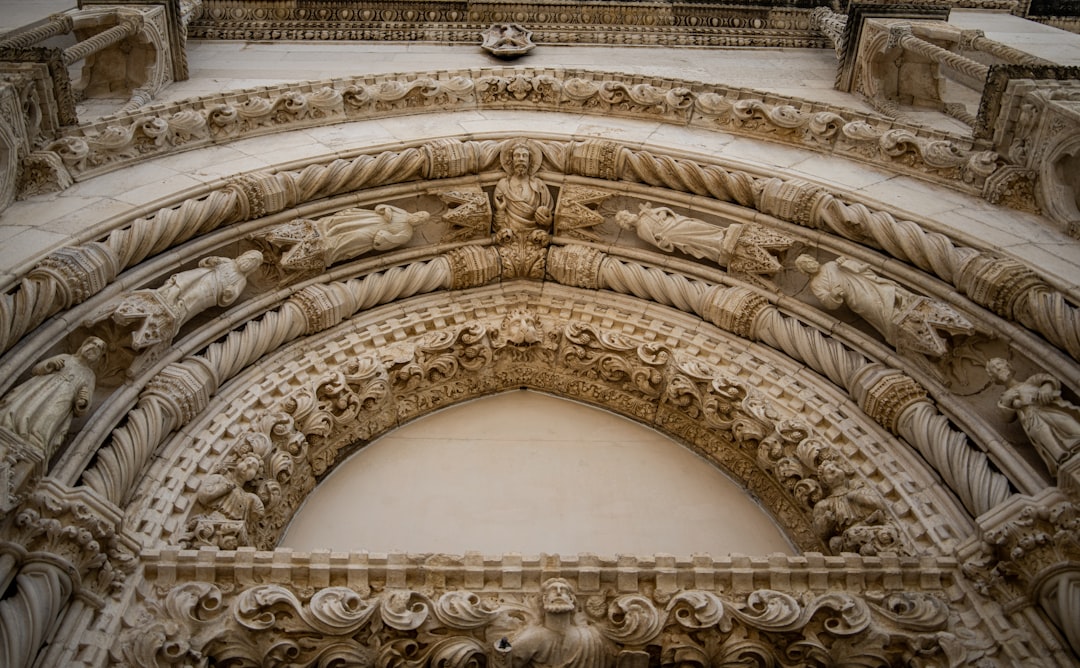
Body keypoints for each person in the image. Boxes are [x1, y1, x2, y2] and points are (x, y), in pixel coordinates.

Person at [794, 253, 972, 357]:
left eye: (809, 260)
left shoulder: (831, 264)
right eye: (806, 265)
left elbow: (858, 269)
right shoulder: (815, 284)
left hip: (866, 284)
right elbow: (827, 302)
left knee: (889, 292)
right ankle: (892, 328)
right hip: (856, 298)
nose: (811, 264)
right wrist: (833, 295)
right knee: (875, 309)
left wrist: (847, 262)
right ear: (804, 271)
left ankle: (905, 307)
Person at [104, 250, 264, 349]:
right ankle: (166, 297)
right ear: (243, 256)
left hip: (209, 292)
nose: (248, 263)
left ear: (253, 269)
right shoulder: (227, 261)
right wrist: (211, 261)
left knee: (192, 299)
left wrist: (229, 293)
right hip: (198, 276)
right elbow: (204, 262)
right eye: (249, 258)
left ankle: (176, 311)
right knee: (179, 285)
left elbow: (230, 297)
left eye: (252, 263)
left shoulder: (241, 281)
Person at [0, 336, 105, 459]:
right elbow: (36, 370)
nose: (94, 348)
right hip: (42, 388)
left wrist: (82, 402)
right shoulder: (66, 357)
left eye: (99, 348)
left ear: (98, 358)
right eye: (92, 344)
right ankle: (13, 424)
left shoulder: (89, 376)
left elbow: (84, 406)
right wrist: (49, 364)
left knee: (45, 422)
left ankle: (35, 440)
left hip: (62, 402)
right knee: (26, 409)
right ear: (83, 346)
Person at [987, 357, 1080, 474]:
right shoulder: (1005, 396)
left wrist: (1047, 388)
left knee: (1068, 423)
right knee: (1047, 437)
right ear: (993, 377)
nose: (999, 368)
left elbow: (1047, 379)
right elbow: (1006, 417)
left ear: (1008, 365)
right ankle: (1064, 459)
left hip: (1049, 410)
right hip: (1033, 420)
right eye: (994, 369)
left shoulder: (1030, 381)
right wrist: (1007, 401)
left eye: (999, 364)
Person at [504, 578, 613, 668]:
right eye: (553, 590)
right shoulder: (532, 637)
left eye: (564, 591)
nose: (559, 593)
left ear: (572, 599)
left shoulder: (591, 638)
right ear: (544, 599)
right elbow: (505, 662)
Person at [494, 141, 553, 233]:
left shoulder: (539, 185)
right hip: (509, 234)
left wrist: (547, 221)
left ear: (530, 161)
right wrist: (500, 211)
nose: (521, 159)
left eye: (524, 156)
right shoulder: (503, 185)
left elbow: (550, 214)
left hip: (536, 235)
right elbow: (498, 224)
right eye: (517, 155)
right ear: (511, 160)